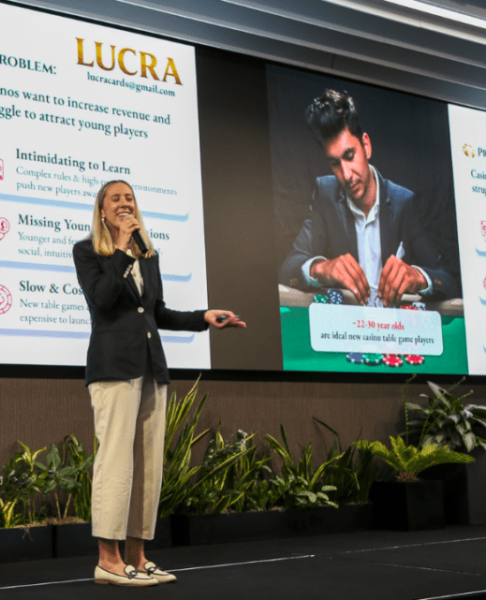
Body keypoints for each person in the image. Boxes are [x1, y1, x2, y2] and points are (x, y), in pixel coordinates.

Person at [73, 180, 245, 587]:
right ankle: (108, 561)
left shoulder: (148, 255)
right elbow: (102, 297)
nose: (124, 203)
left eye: (129, 198)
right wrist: (118, 248)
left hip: (152, 369)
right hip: (113, 369)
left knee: (147, 467)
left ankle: (136, 556)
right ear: (102, 212)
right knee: (115, 463)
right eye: (115, 199)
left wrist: (203, 317)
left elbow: (157, 313)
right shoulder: (89, 252)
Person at [279, 89, 458, 306]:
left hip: (395, 332)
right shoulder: (325, 194)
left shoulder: (403, 202)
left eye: (349, 156)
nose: (345, 174)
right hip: (346, 333)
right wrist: (321, 269)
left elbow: (448, 279)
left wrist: (417, 277)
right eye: (335, 163)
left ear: (366, 146)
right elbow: (288, 269)